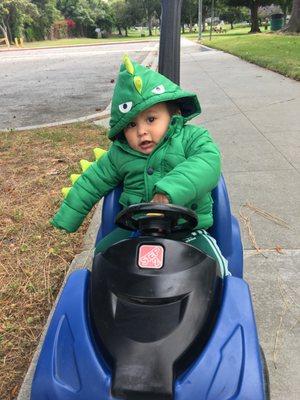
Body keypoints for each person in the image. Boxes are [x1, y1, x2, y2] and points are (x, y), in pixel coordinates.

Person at [51, 56, 229, 276]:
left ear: (173, 113)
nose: (141, 131)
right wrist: (68, 216)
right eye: (132, 124)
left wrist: (168, 192)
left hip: (188, 230)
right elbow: (92, 181)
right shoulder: (120, 153)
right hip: (135, 230)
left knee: (214, 268)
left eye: (151, 119)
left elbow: (208, 162)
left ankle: (223, 301)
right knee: (102, 259)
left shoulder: (192, 138)